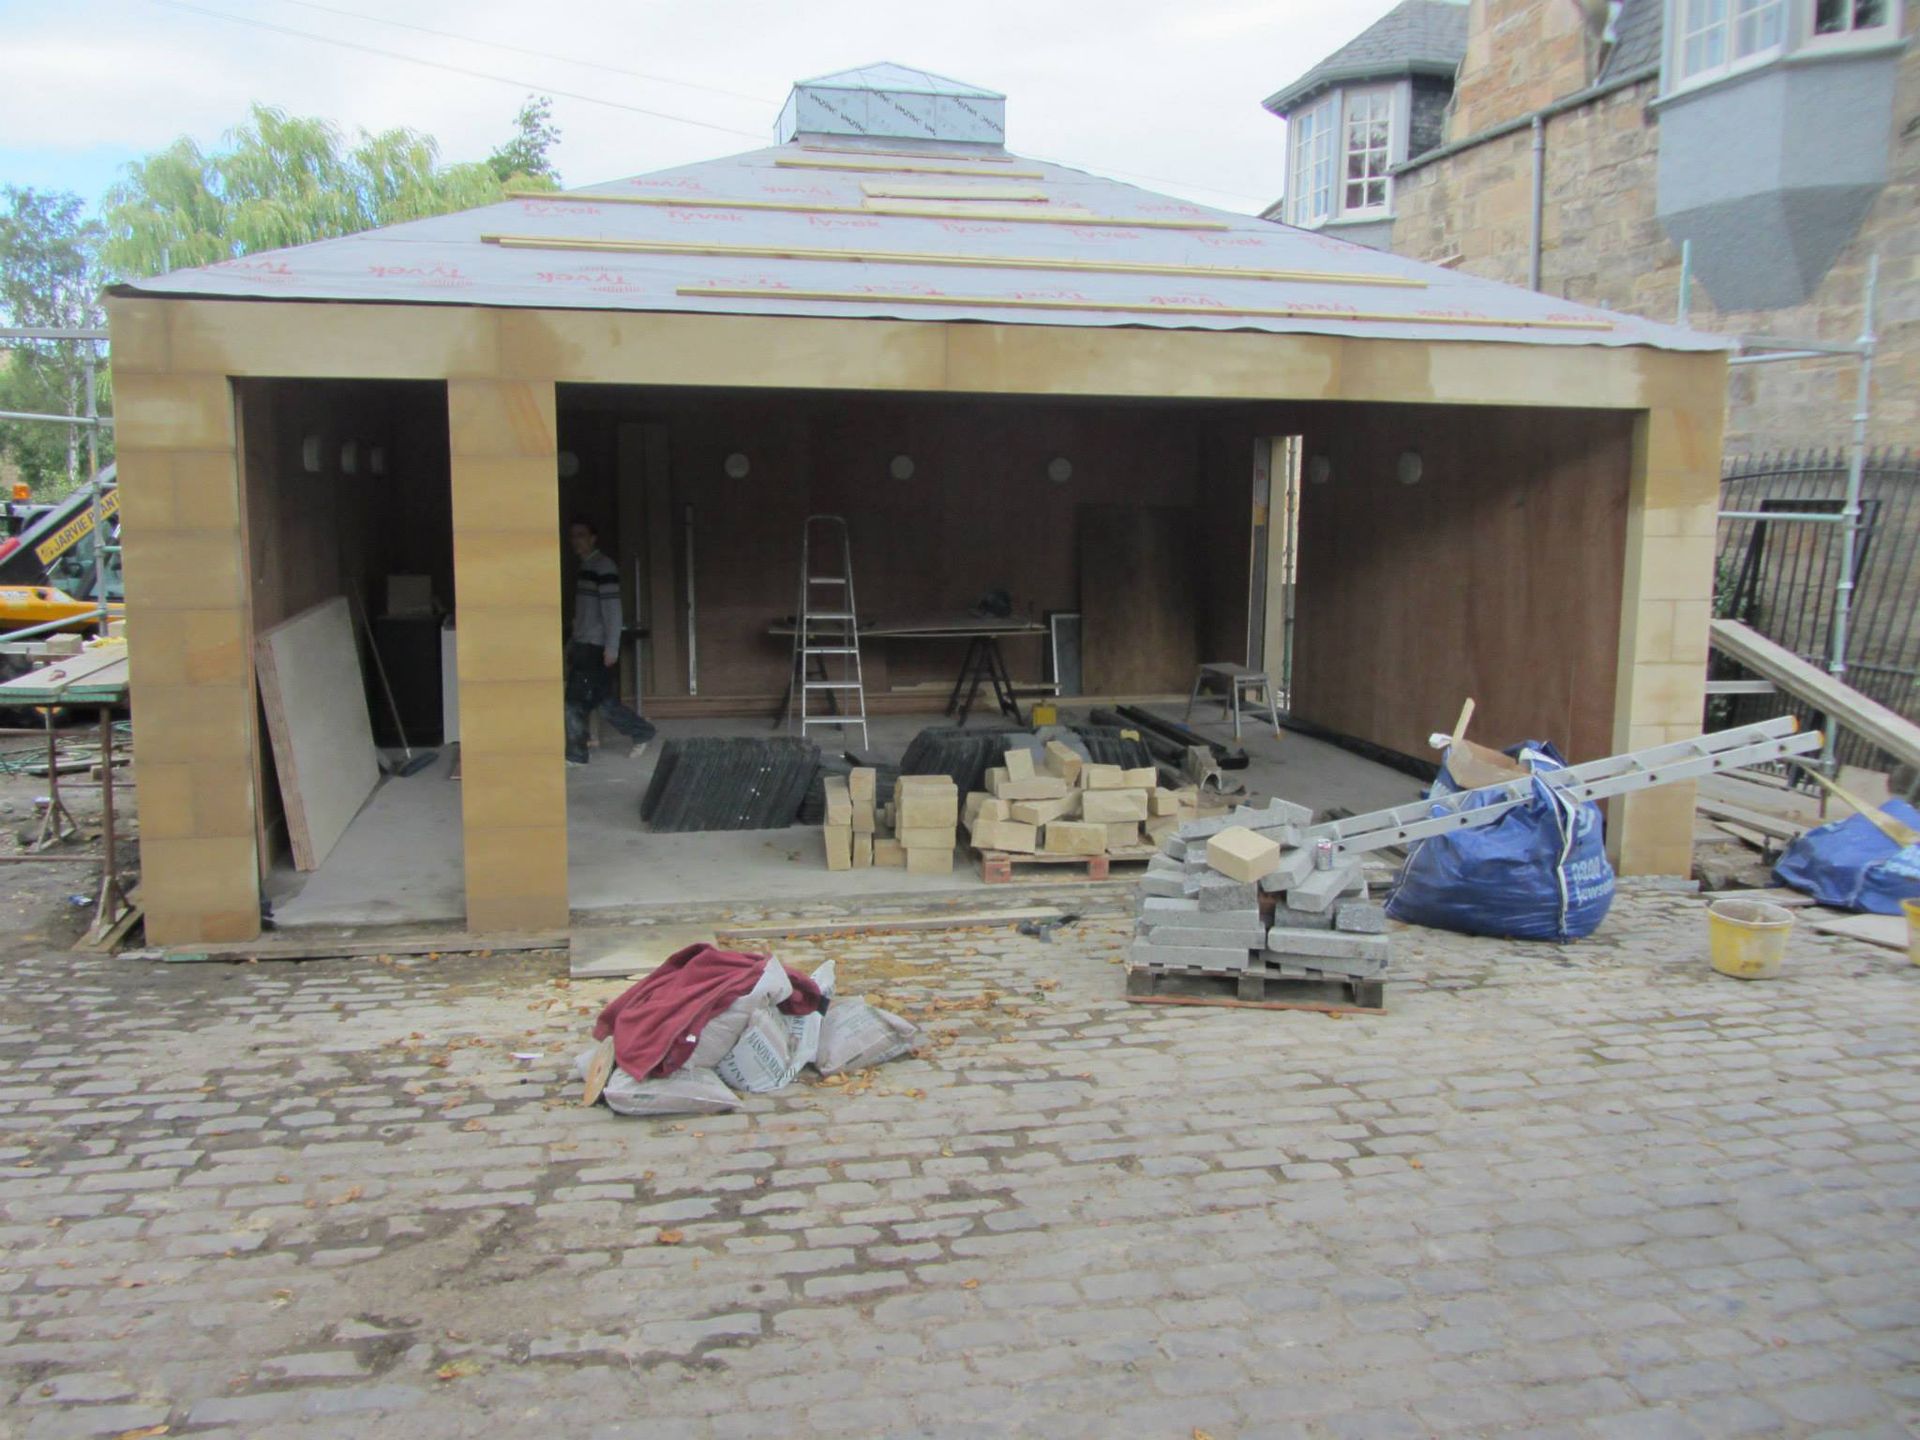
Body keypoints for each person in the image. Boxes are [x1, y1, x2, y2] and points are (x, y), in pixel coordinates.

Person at [564, 515, 655, 766]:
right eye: (573, 536)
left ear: (593, 538)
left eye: (581, 535)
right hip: (584, 643)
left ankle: (576, 755)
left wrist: (611, 647)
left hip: (594, 646)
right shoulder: (586, 567)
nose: (576, 541)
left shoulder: (603, 567)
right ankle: (642, 731)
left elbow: (612, 610)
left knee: (575, 701)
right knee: (601, 701)